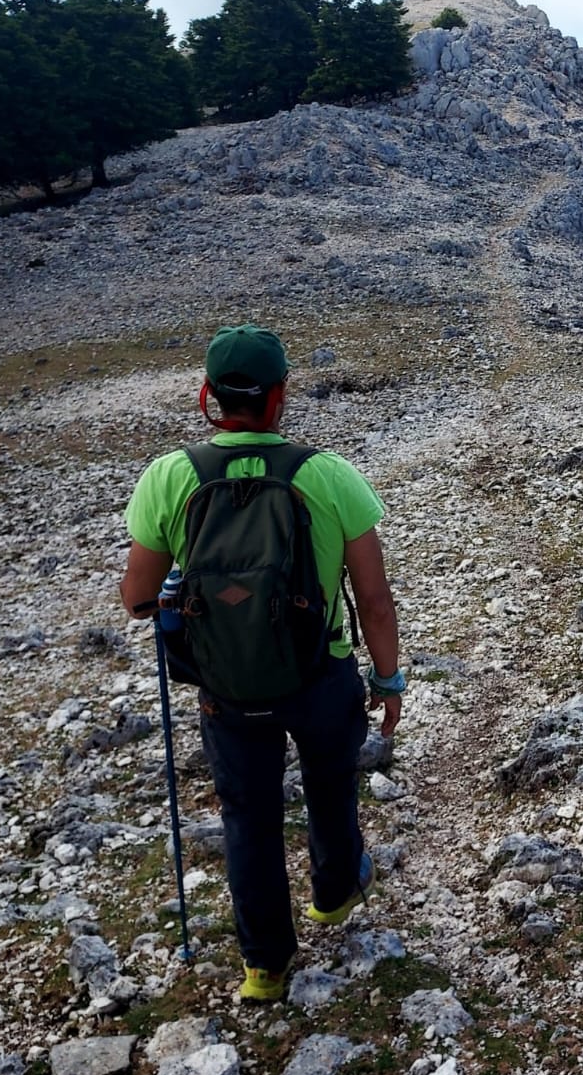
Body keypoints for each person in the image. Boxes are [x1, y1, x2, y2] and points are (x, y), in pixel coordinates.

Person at [119, 325, 403, 1001]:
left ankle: (264, 966)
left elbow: (135, 598)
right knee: (331, 785)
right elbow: (373, 598)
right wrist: (387, 680)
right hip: (320, 675)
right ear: (280, 396)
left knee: (248, 815)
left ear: (207, 396)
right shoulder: (329, 474)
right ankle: (334, 893)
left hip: (226, 683)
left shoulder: (170, 476)